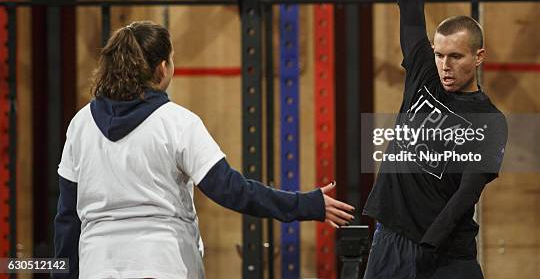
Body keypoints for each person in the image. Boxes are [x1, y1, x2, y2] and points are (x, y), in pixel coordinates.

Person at [53, 21, 354, 278]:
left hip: (96, 267)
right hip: (162, 265)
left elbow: (67, 217)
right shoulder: (178, 123)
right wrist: (307, 204)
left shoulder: (80, 125)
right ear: (162, 68)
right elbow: (232, 190)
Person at [362, 0, 507, 279]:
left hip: (446, 252)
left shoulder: (489, 120)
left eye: (455, 57)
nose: (444, 65)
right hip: (391, 239)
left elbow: (466, 195)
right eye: (440, 54)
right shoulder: (424, 75)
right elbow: (410, 5)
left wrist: (428, 248)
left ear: (478, 57)